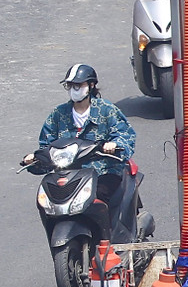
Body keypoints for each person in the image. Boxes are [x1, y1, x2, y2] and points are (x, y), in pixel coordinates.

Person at [23, 64, 135, 210]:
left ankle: (106, 232)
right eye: (70, 85)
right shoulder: (58, 114)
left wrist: (114, 145)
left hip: (103, 172)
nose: (74, 90)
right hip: (67, 174)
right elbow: (46, 146)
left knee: (99, 196)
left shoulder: (107, 110)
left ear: (91, 85)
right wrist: (36, 158)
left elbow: (125, 135)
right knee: (46, 200)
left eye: (78, 85)